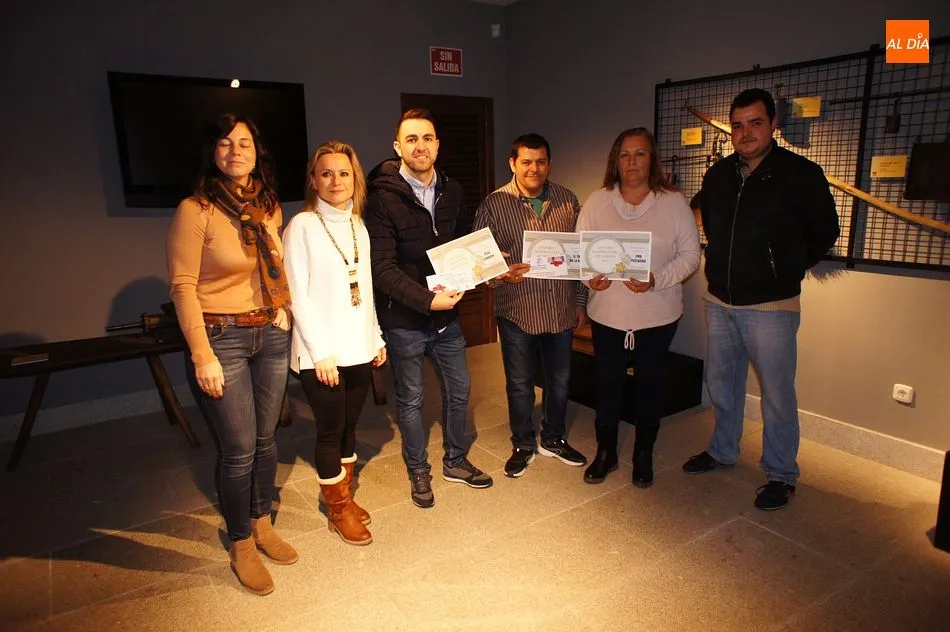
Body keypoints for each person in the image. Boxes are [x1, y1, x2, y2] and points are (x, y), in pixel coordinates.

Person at [682, 88, 839, 511]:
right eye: (738, 125)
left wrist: (783, 268)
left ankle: (781, 473)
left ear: (774, 126)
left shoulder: (801, 174)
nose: (746, 132)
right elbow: (710, 225)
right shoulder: (718, 175)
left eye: (755, 123)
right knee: (722, 382)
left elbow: (825, 231)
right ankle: (722, 450)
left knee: (776, 393)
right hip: (720, 301)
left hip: (771, 306)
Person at [167, 113, 296, 596]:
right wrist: (201, 354)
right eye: (225, 144)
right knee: (239, 448)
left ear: (256, 151)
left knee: (267, 440)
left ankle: (262, 522)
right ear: (212, 153)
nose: (236, 151)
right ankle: (241, 540)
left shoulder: (268, 205)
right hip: (222, 338)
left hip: (271, 333)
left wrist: (283, 309)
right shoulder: (195, 209)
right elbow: (182, 287)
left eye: (244, 142)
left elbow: (275, 266)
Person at [363, 108, 493, 508]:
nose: (420, 146)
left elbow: (461, 244)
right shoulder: (381, 197)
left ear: (437, 144)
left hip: (446, 316)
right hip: (404, 320)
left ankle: (455, 460)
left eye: (428, 138)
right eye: (412, 139)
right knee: (412, 399)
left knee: (460, 389)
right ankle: (418, 469)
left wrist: (486, 263)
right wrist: (426, 300)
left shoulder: (452, 190)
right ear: (398, 146)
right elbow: (381, 268)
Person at [578, 128, 700, 488]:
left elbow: (690, 257)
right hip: (609, 315)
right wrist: (589, 279)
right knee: (608, 384)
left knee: (650, 385)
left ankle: (643, 453)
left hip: (657, 315)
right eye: (625, 154)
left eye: (640, 154)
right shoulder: (597, 202)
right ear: (615, 160)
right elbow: (582, 255)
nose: (632, 162)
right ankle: (606, 452)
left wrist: (656, 278)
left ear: (652, 159)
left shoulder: (674, 203)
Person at [283, 141, 385, 546]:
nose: (336, 181)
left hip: (357, 345)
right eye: (326, 173)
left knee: (350, 426)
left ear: (354, 178)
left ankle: (345, 494)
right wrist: (319, 351)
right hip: (320, 353)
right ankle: (337, 510)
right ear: (313, 180)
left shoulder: (358, 225)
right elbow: (297, 295)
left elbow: (366, 289)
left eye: (343, 173)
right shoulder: (303, 226)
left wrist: (375, 336)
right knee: (329, 432)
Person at [472, 133, 588, 478]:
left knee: (561, 380)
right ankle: (523, 442)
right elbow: (478, 264)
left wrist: (580, 301)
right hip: (517, 312)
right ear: (513, 164)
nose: (533, 169)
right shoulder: (493, 205)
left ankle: (553, 438)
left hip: (560, 310)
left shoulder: (568, 200)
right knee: (520, 383)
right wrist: (500, 275)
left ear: (549, 164)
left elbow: (580, 257)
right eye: (525, 161)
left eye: (540, 161)